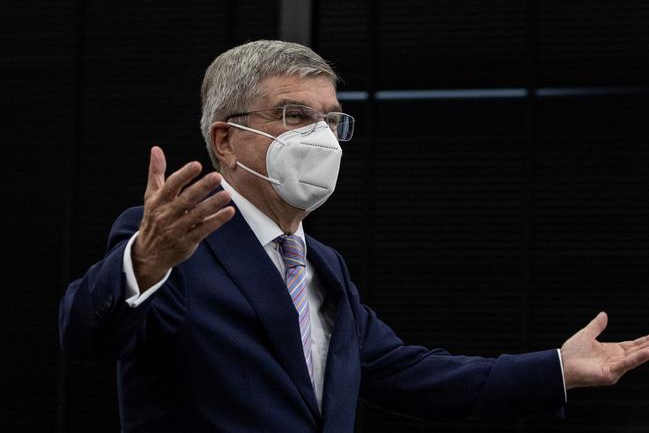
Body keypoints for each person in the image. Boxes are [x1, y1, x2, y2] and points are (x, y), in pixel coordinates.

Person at [59, 40, 649, 432]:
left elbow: (407, 373)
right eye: (295, 116)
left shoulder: (323, 265)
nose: (321, 138)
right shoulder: (169, 243)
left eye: (331, 119)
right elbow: (88, 333)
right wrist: (143, 261)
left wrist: (557, 369)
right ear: (225, 139)